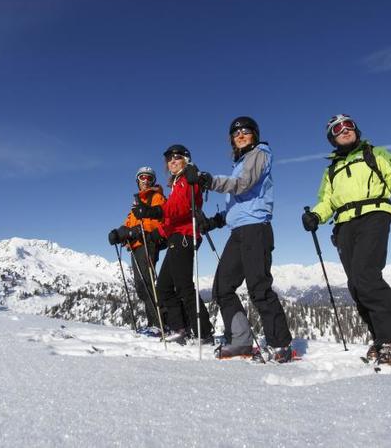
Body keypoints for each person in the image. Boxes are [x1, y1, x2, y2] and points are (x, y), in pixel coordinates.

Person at [301, 114, 391, 372]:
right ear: (331, 137)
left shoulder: (375, 154)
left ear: (356, 129)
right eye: (337, 128)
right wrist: (315, 216)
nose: (344, 130)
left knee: (366, 276)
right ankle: (381, 342)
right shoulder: (330, 170)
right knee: (356, 285)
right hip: (343, 226)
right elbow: (327, 200)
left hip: (374, 215)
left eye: (348, 125)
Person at [189, 116, 293, 363]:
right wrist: (213, 222)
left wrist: (209, 180)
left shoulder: (259, 154)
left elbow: (243, 185)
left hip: (256, 230)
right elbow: (237, 207)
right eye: (236, 133)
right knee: (222, 288)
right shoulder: (240, 163)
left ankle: (281, 345)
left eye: (246, 131)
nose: (241, 135)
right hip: (239, 232)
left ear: (255, 134)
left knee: (259, 288)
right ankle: (241, 341)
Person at [132, 144, 213, 344]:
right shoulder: (177, 182)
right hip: (175, 237)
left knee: (184, 287)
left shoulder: (189, 178)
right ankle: (180, 328)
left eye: (177, 157)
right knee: (164, 287)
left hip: (185, 237)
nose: (172, 162)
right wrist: (156, 234)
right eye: (169, 159)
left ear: (186, 159)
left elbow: (180, 209)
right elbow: (171, 218)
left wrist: (153, 212)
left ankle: (203, 332)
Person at [108, 167, 166, 334]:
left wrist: (140, 232)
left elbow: (160, 220)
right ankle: (154, 323)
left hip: (148, 243)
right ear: (138, 180)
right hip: (136, 246)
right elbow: (129, 223)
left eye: (149, 177)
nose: (146, 180)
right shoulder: (136, 202)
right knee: (141, 287)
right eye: (142, 177)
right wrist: (119, 234)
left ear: (153, 181)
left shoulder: (156, 197)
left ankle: (159, 324)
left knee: (147, 284)